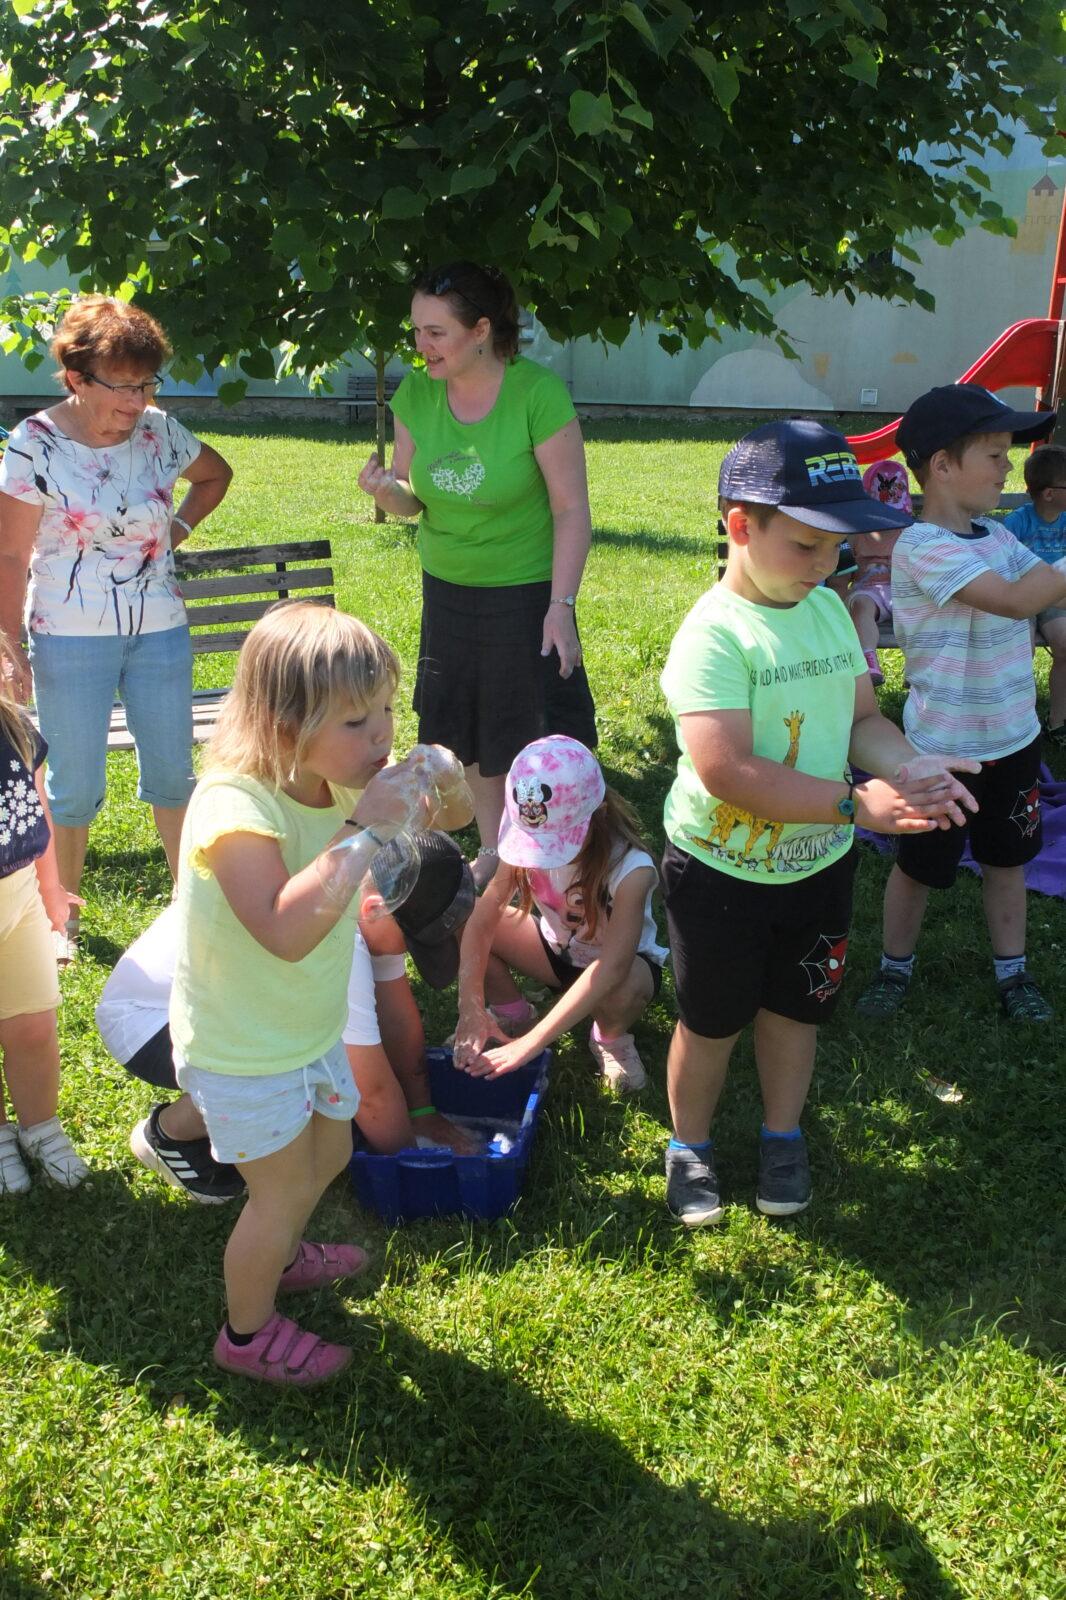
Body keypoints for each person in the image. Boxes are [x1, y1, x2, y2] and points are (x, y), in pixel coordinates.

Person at [659, 420, 980, 1228]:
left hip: (817, 868)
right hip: (720, 871)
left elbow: (861, 718)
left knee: (797, 1011)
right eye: (805, 545)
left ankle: (781, 1133)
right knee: (710, 1020)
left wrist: (907, 763)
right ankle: (689, 1144)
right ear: (741, 526)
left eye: (836, 546)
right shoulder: (714, 635)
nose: (824, 563)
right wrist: (854, 804)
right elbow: (728, 772)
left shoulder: (832, 613)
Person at [169, 600, 462, 1388]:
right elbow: (283, 929)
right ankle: (247, 1333)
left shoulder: (337, 780)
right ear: (282, 722)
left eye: (389, 714)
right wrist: (363, 829)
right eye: (358, 722)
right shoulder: (235, 807)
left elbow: (456, 819)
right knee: (278, 1192)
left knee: (329, 1150)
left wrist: (440, 776)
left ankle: (287, 1248)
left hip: (307, 1029)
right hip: (242, 1046)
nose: (381, 739)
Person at [0, 296, 233, 962]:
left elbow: (215, 475)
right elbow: (12, 554)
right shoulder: (35, 444)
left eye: (146, 383)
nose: (137, 401)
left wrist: (177, 531)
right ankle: (59, 917)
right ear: (76, 378)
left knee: (171, 775)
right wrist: (7, 642)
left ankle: (194, 909)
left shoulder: (161, 431)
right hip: (69, 634)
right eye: (121, 386)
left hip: (159, 628)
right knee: (73, 784)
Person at [356, 261, 597, 889]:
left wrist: (560, 605)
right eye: (415, 330)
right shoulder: (415, 395)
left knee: (527, 728)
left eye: (436, 332)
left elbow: (571, 509)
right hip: (449, 592)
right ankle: (496, 852)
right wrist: (389, 494)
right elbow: (415, 497)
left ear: (482, 330)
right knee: (473, 733)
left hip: (525, 593)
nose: (420, 345)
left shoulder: (537, 394)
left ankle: (552, 859)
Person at [96, 833, 478, 1202]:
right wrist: (417, 1164)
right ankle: (170, 1134)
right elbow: (371, 1094)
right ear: (375, 908)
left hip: (206, 1007)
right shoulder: (336, 938)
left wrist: (422, 1111)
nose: (408, 956)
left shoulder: (361, 888)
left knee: (320, 1074)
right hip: (147, 1022)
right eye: (411, 945)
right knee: (302, 1075)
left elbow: (398, 1017)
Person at [856, 384, 1061, 1025]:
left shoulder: (998, 536)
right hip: (938, 751)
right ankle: (894, 968)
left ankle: (1013, 972)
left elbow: (1037, 579)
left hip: (1013, 740)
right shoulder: (921, 547)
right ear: (941, 466)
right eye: (996, 453)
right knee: (918, 867)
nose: (1009, 468)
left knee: (1009, 862)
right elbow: (1014, 599)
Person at [454, 735, 667, 1094]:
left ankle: (610, 1037)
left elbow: (612, 967)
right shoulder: (526, 832)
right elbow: (486, 915)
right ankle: (512, 1012)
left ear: (597, 814)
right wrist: (469, 1005)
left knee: (624, 987)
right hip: (556, 951)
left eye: (555, 841)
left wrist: (533, 1044)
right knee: (465, 916)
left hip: (619, 971)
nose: (543, 853)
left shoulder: (632, 870)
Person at [0, 630, 89, 1193]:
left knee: (34, 1026)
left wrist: (52, 891)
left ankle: (41, 1128)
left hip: (21, 907)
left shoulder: (17, 730)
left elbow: (40, 814)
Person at [1003, 444, 1066, 745]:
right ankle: (1018, 723)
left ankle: (1058, 721)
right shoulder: (1017, 522)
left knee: (1065, 645)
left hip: (1056, 601)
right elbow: (1002, 567)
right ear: (1050, 493)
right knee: (1021, 652)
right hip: (1023, 600)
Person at [843, 460, 913, 685]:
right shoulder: (857, 534)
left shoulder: (909, 532)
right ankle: (868, 658)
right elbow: (842, 575)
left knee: (918, 609)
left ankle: (916, 664)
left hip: (903, 590)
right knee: (862, 607)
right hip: (868, 592)